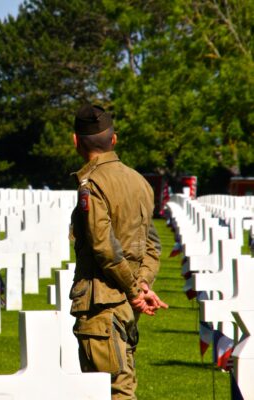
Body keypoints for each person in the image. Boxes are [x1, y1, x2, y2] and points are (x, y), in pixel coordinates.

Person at [69, 103, 168, 399]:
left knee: (110, 391)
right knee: (123, 384)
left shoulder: (92, 184)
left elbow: (104, 248)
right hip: (126, 305)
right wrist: (143, 284)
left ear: (76, 141)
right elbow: (152, 245)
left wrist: (136, 290)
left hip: (102, 302)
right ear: (114, 139)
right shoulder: (140, 182)